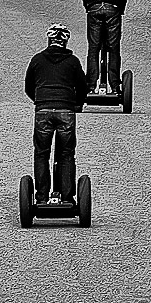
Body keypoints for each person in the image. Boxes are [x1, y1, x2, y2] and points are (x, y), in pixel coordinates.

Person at [24, 24, 88, 205]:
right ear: (65, 41)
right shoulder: (73, 61)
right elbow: (83, 87)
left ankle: (42, 199)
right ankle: (67, 198)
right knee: (66, 154)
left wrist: (40, 101)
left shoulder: (37, 60)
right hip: (66, 110)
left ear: (49, 40)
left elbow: (29, 86)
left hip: (43, 111)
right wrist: (76, 103)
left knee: (41, 153)